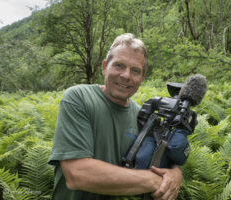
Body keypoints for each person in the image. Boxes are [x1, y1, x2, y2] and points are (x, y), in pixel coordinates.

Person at [48, 33, 182, 200]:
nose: (126, 75)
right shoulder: (78, 98)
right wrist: (155, 181)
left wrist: (175, 174)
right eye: (119, 65)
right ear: (105, 67)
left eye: (135, 70)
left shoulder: (143, 117)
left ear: (141, 78)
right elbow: (77, 173)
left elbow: (161, 159)